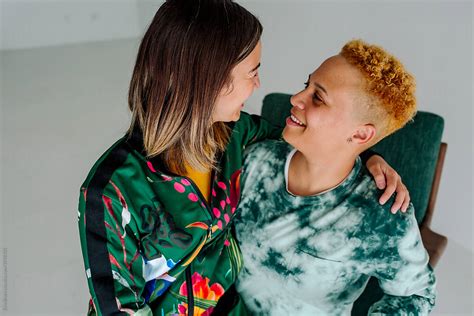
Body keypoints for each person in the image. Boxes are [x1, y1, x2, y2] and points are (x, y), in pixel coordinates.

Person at [77, 1, 411, 315]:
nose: (258, 84)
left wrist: (368, 155)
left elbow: (318, 140)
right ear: (209, 81)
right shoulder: (110, 193)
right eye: (252, 72)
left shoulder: (237, 137)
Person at [235, 40, 436, 315]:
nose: (296, 99)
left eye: (317, 97)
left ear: (360, 135)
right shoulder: (253, 160)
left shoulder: (380, 215)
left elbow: (416, 294)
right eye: (306, 85)